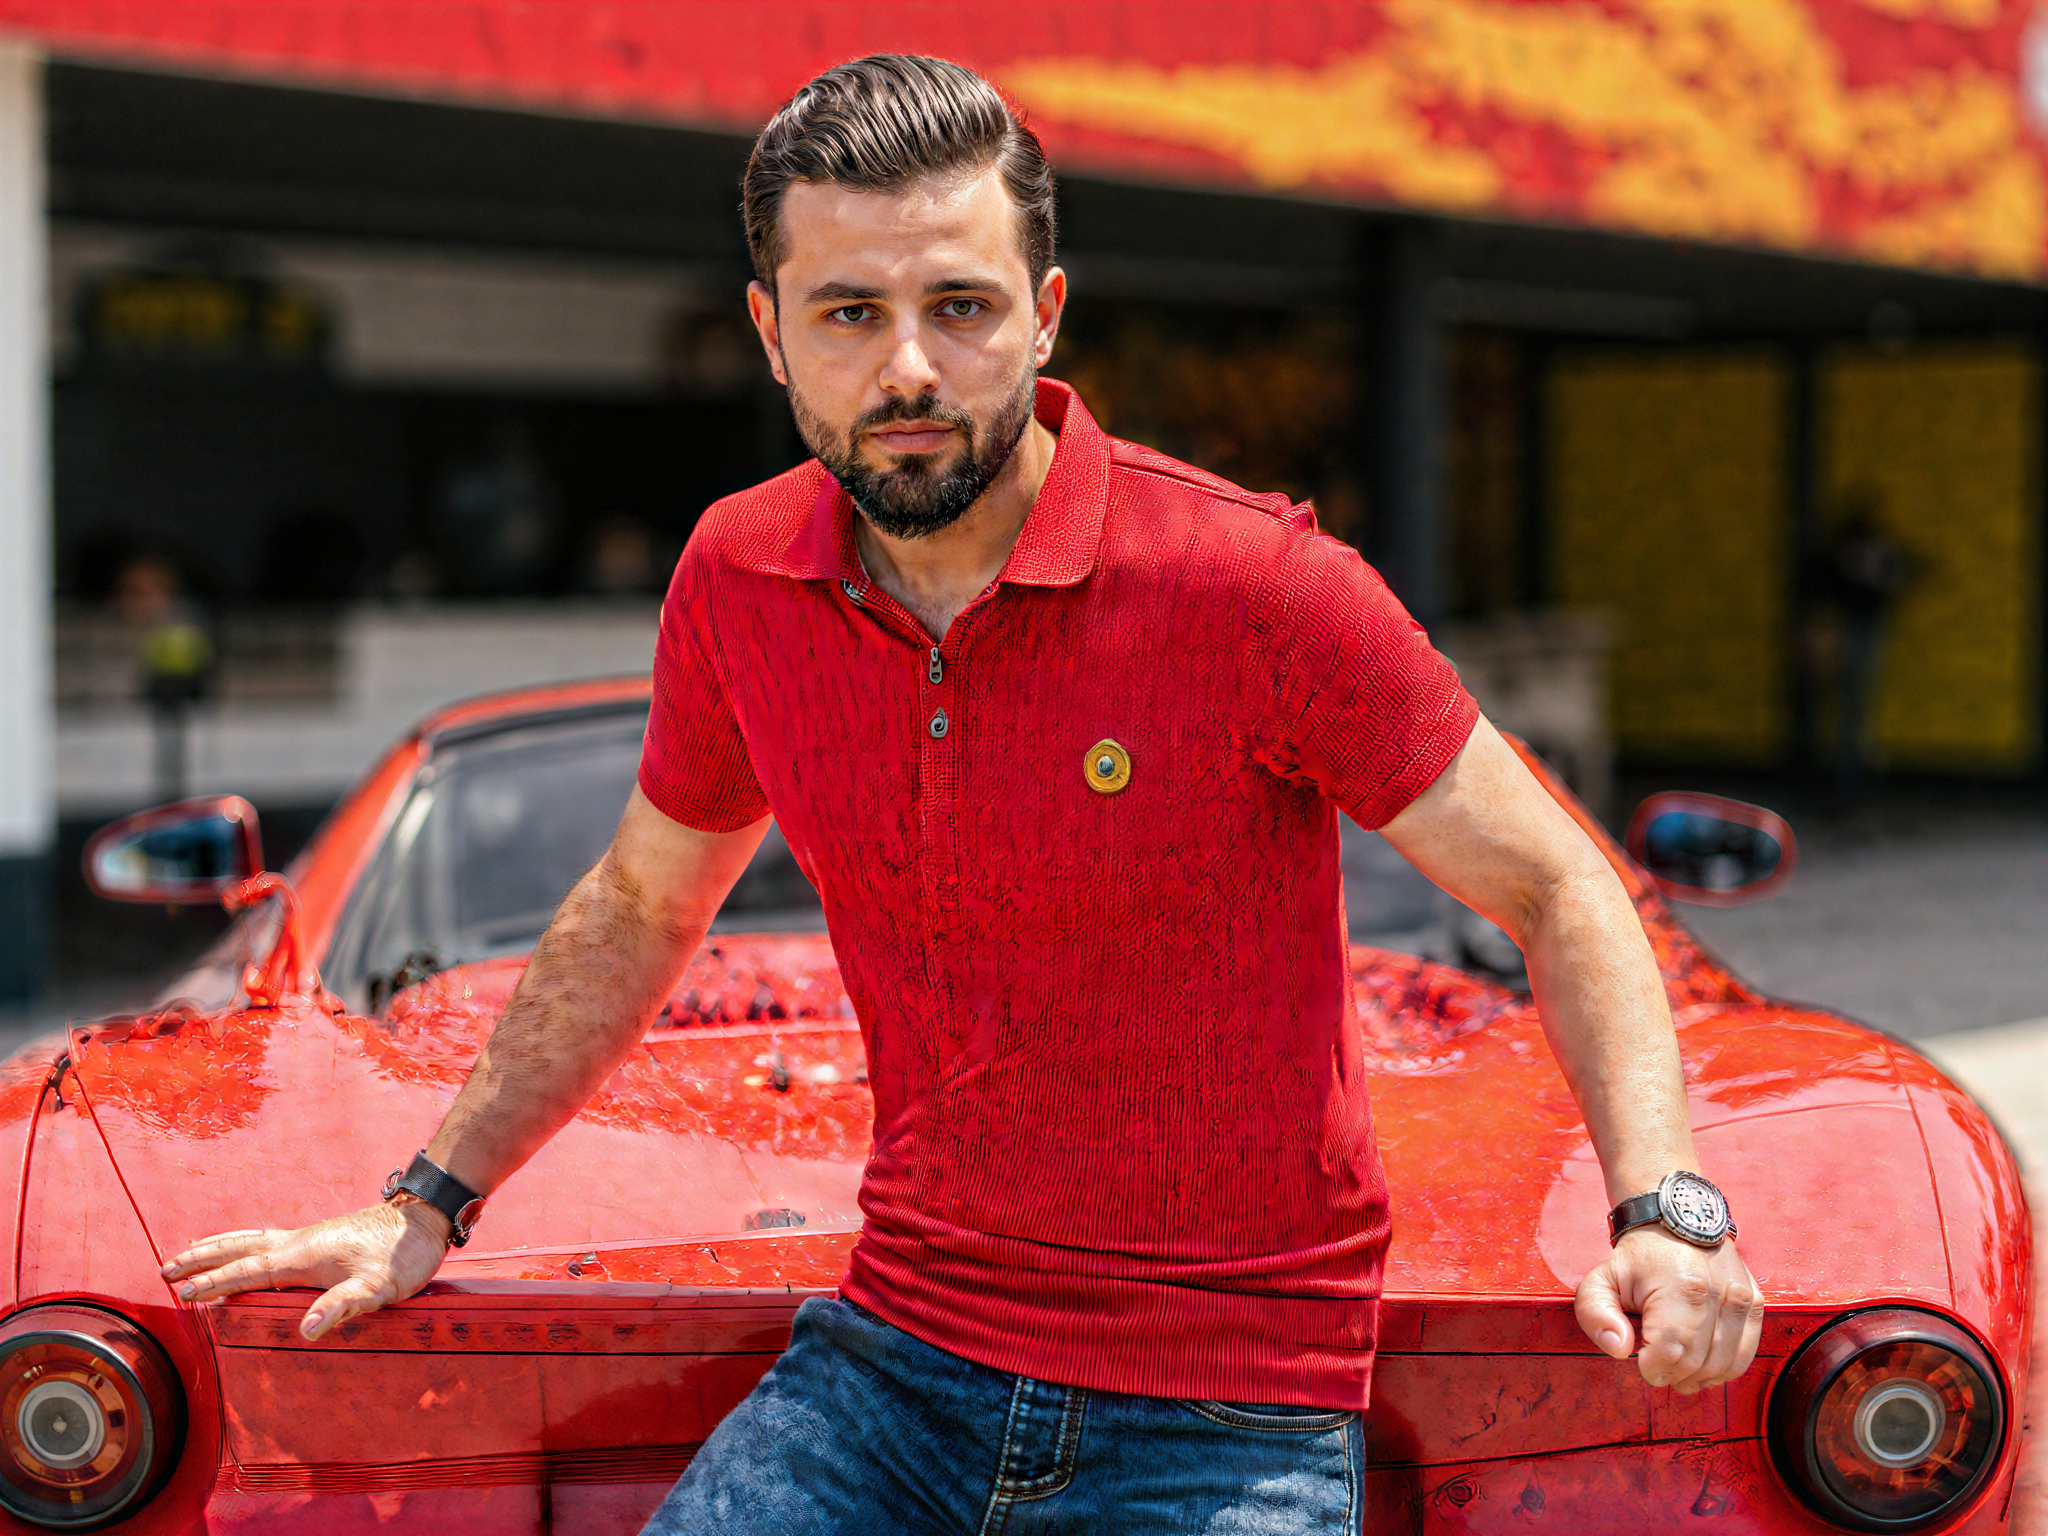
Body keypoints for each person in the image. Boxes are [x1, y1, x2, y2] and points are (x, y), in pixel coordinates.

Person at [163, 56, 1763, 1534]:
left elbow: (1561, 883)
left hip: (1234, 1407)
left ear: (1047, 312)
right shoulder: (737, 576)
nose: (910, 366)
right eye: (849, 312)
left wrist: (1669, 1211)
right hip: (896, 1366)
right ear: (772, 330)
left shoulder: (1255, 586)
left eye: (962, 305)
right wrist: (426, 1201)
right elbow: (647, 900)